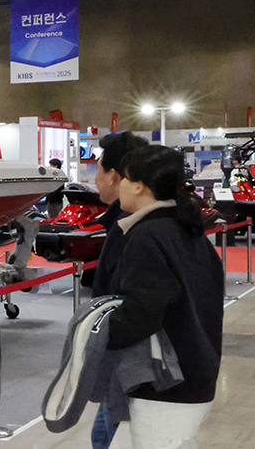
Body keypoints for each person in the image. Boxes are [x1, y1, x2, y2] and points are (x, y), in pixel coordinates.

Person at [106, 145, 224, 448]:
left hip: (165, 384)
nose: (118, 185)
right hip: (194, 374)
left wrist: (99, 330)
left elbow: (142, 311)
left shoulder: (148, 236)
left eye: (123, 178)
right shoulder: (186, 230)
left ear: (138, 186)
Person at [86, 131, 150, 448]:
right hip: (133, 360)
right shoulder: (136, 223)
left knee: (104, 437)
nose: (94, 177)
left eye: (97, 169)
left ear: (114, 176)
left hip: (131, 359)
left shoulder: (131, 229)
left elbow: (129, 300)